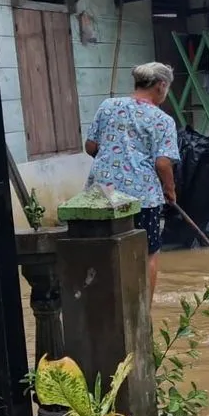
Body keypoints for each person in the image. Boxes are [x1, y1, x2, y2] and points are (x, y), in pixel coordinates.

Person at [84, 62, 180, 300]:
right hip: (143, 199)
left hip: (101, 195)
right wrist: (170, 189)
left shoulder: (107, 106)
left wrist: (111, 160)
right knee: (147, 254)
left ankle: (104, 307)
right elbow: (162, 163)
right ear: (161, 86)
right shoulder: (163, 120)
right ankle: (142, 314)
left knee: (102, 252)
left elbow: (91, 146)